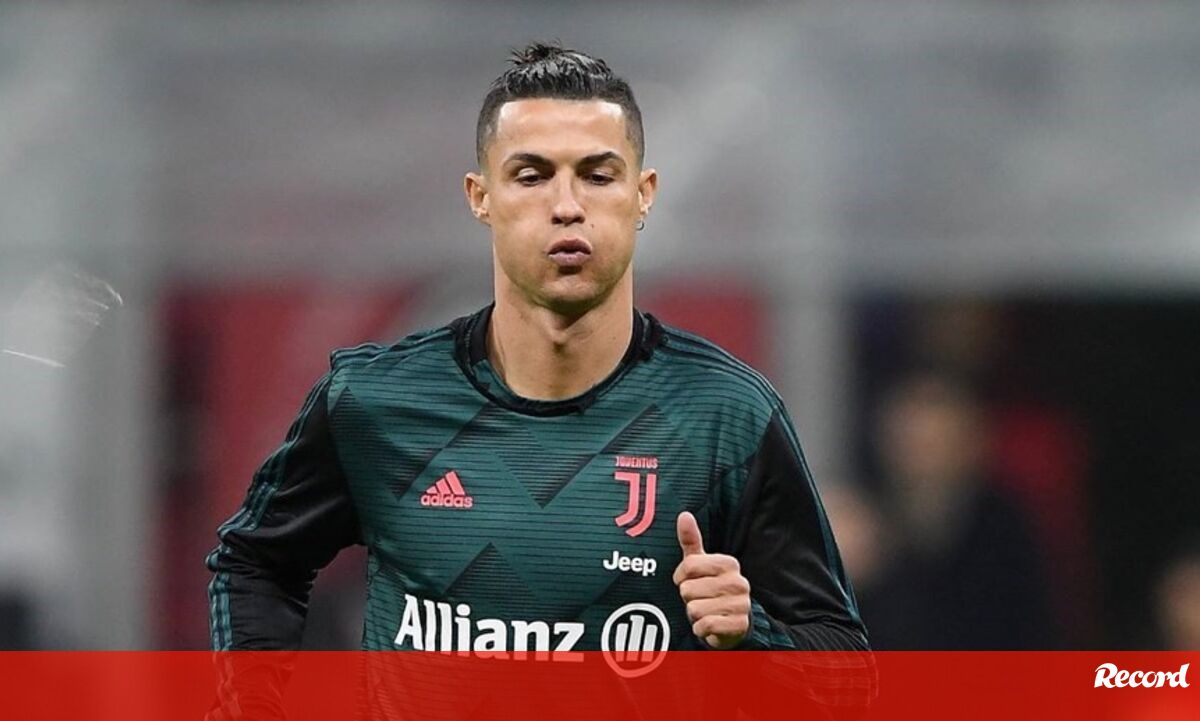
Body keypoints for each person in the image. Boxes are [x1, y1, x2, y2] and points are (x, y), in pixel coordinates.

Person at [205, 42, 869, 718]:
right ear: (481, 197)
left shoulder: (724, 415)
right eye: (531, 175)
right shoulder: (377, 403)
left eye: (598, 175)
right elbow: (255, 561)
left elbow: (847, 681)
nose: (567, 206)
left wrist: (751, 636)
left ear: (643, 195)